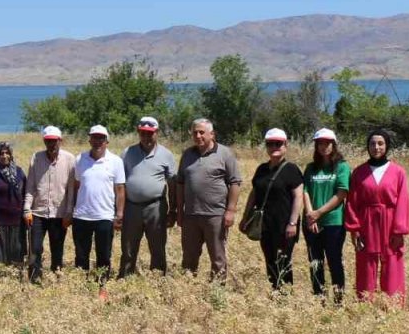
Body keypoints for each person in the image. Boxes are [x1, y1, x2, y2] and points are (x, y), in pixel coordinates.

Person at [344, 129, 409, 306]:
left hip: (390, 222)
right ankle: (364, 304)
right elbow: (352, 202)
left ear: (387, 146)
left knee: (392, 262)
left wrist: (399, 230)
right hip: (367, 222)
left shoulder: (398, 172)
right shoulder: (359, 172)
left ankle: (393, 305)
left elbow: (402, 202)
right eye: (372, 143)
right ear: (368, 147)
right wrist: (354, 229)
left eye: (380, 143)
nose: (376, 147)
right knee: (366, 263)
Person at [175, 118, 242, 280]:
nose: (198, 136)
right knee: (189, 257)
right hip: (191, 215)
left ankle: (217, 292)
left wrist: (230, 211)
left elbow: (235, 182)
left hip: (215, 215)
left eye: (201, 132)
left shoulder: (225, 153)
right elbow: (180, 183)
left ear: (212, 134)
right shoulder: (187, 155)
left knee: (218, 257)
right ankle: (187, 289)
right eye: (195, 132)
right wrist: (179, 210)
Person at [240, 129, 303, 290]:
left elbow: (298, 197)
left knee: (283, 260)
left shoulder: (291, 169)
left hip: (284, 224)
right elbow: (254, 194)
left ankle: (286, 295)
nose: (274, 147)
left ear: (285, 145)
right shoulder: (261, 169)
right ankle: (275, 291)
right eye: (270, 144)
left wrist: (293, 223)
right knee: (269, 259)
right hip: (265, 223)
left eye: (278, 143)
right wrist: (245, 217)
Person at [119, 116, 177, 277]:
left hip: (156, 207)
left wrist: (173, 210)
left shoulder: (166, 155)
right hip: (131, 207)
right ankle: (125, 279)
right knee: (128, 248)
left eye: (150, 133)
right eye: (143, 133)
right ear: (138, 132)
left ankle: (157, 279)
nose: (146, 137)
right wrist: (118, 210)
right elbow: (119, 183)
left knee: (157, 247)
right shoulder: (127, 153)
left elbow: (172, 184)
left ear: (156, 133)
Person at [67, 125, 125, 283]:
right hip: (81, 216)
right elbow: (77, 185)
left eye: (101, 138)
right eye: (94, 137)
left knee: (104, 255)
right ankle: (81, 284)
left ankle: (102, 285)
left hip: (104, 217)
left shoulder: (116, 161)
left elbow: (120, 189)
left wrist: (119, 214)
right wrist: (70, 210)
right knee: (81, 255)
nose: (97, 141)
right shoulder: (80, 159)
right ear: (89, 139)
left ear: (107, 141)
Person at [302, 128, 350, 302]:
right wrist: (309, 214)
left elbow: (341, 193)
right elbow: (305, 190)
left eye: (328, 143)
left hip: (333, 222)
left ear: (334, 145)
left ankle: (338, 300)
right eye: (320, 143)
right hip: (311, 222)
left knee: (334, 261)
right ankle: (318, 298)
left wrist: (319, 213)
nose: (324, 146)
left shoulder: (342, 167)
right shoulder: (310, 168)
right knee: (315, 262)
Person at [23, 126, 75, 283]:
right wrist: (27, 209)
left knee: (57, 249)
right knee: (35, 249)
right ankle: (34, 278)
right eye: (48, 141)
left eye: (54, 141)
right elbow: (30, 186)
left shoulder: (70, 159)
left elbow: (71, 189)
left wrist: (69, 212)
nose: (52, 145)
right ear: (44, 141)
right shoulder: (36, 158)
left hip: (59, 214)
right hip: (38, 212)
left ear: (60, 141)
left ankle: (56, 277)